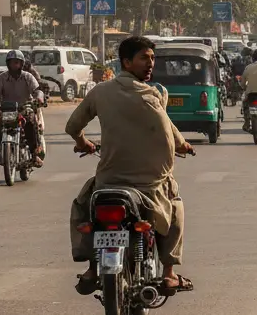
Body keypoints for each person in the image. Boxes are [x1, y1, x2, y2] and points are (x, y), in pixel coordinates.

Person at [67, 36, 195, 297]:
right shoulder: (154, 94)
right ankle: (169, 273)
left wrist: (83, 143)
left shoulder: (100, 92)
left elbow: (73, 126)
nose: (150, 63)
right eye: (144, 58)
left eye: (152, 58)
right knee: (175, 207)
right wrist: (183, 145)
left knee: (84, 207)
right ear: (126, 62)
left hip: (109, 183)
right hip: (151, 186)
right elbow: (168, 129)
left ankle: (92, 268)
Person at [0, 49, 43, 167]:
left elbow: (37, 90)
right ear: (8, 64)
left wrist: (39, 98)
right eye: (12, 62)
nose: (14, 65)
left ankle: (34, 154)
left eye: (17, 62)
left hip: (24, 108)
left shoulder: (28, 76)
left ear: (21, 64)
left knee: (30, 123)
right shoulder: (2, 77)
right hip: (6, 109)